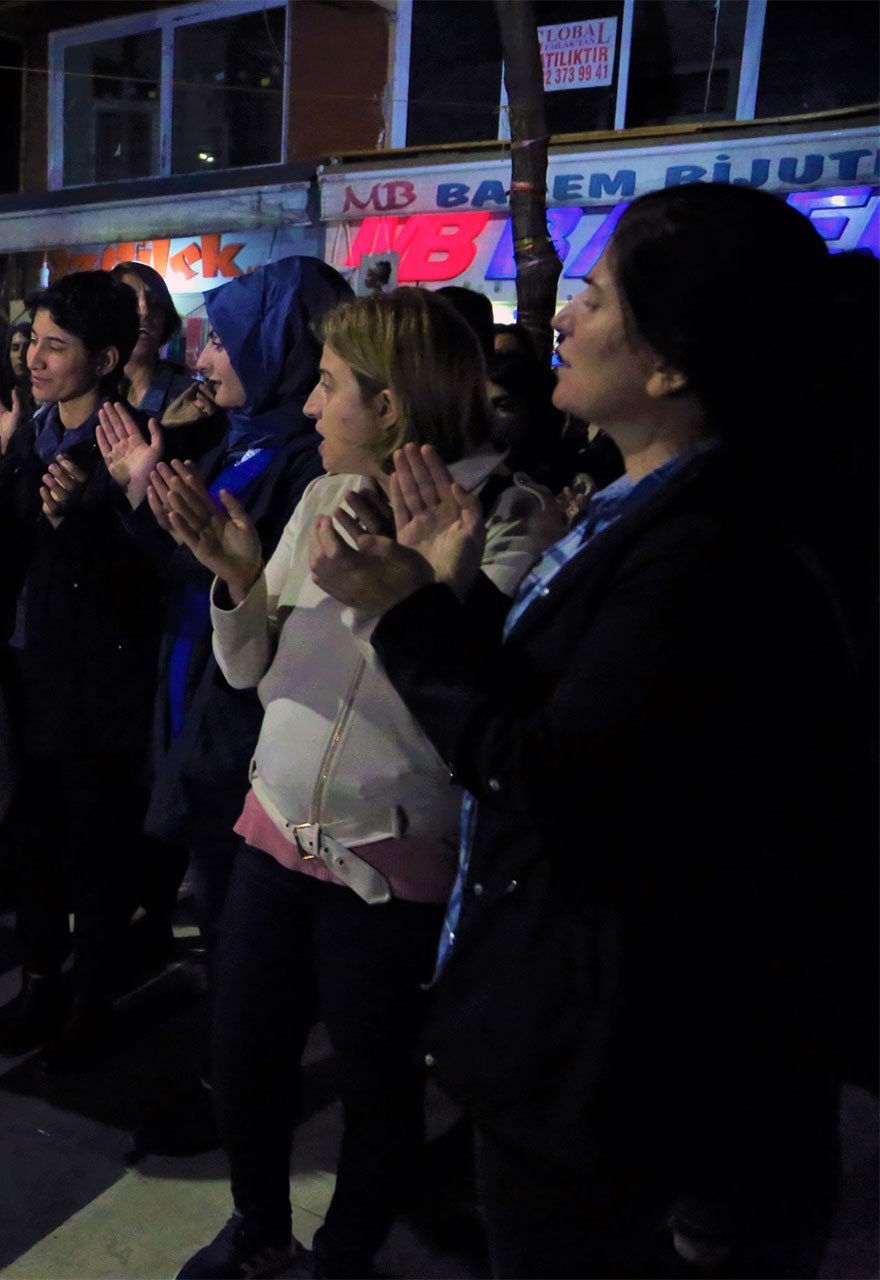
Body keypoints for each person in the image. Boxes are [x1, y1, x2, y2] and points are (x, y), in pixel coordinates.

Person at [308, 184, 862, 1277]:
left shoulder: (705, 554)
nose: (556, 315)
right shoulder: (640, 504)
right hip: (574, 1025)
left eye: (595, 297)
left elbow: (547, 769)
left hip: (605, 1050)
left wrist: (411, 610)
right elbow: (557, 699)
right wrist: (441, 596)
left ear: (670, 364)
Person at [166, 287, 557, 1279]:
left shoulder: (508, 521)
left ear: (391, 408)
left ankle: (344, 1255)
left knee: (377, 1084)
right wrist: (237, 582)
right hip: (273, 824)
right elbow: (253, 669)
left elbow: (472, 706)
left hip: (391, 855)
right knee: (246, 1054)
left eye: (330, 387)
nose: (307, 407)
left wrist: (428, 590)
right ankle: (258, 1225)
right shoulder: (316, 499)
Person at [100, 256, 348, 952]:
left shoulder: (310, 463)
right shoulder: (235, 440)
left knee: (243, 920)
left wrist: (149, 501)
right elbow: (178, 561)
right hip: (191, 677)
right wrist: (138, 492)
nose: (204, 358)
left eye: (222, 341)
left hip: (243, 713)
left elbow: (237, 574)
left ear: (275, 345)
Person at [0, 270, 157, 1061]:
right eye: (32, 341)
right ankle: (40, 984)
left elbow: (139, 581)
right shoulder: (31, 434)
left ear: (104, 359)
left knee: (93, 850)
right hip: (28, 672)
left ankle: (91, 998)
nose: (34, 358)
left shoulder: (128, 445)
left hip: (94, 686)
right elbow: (8, 558)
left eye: (55, 347)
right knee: (32, 842)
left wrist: (82, 517)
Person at [111, 261, 198, 417]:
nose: (144, 311)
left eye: (155, 302)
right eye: (130, 301)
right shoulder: (89, 392)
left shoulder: (189, 396)